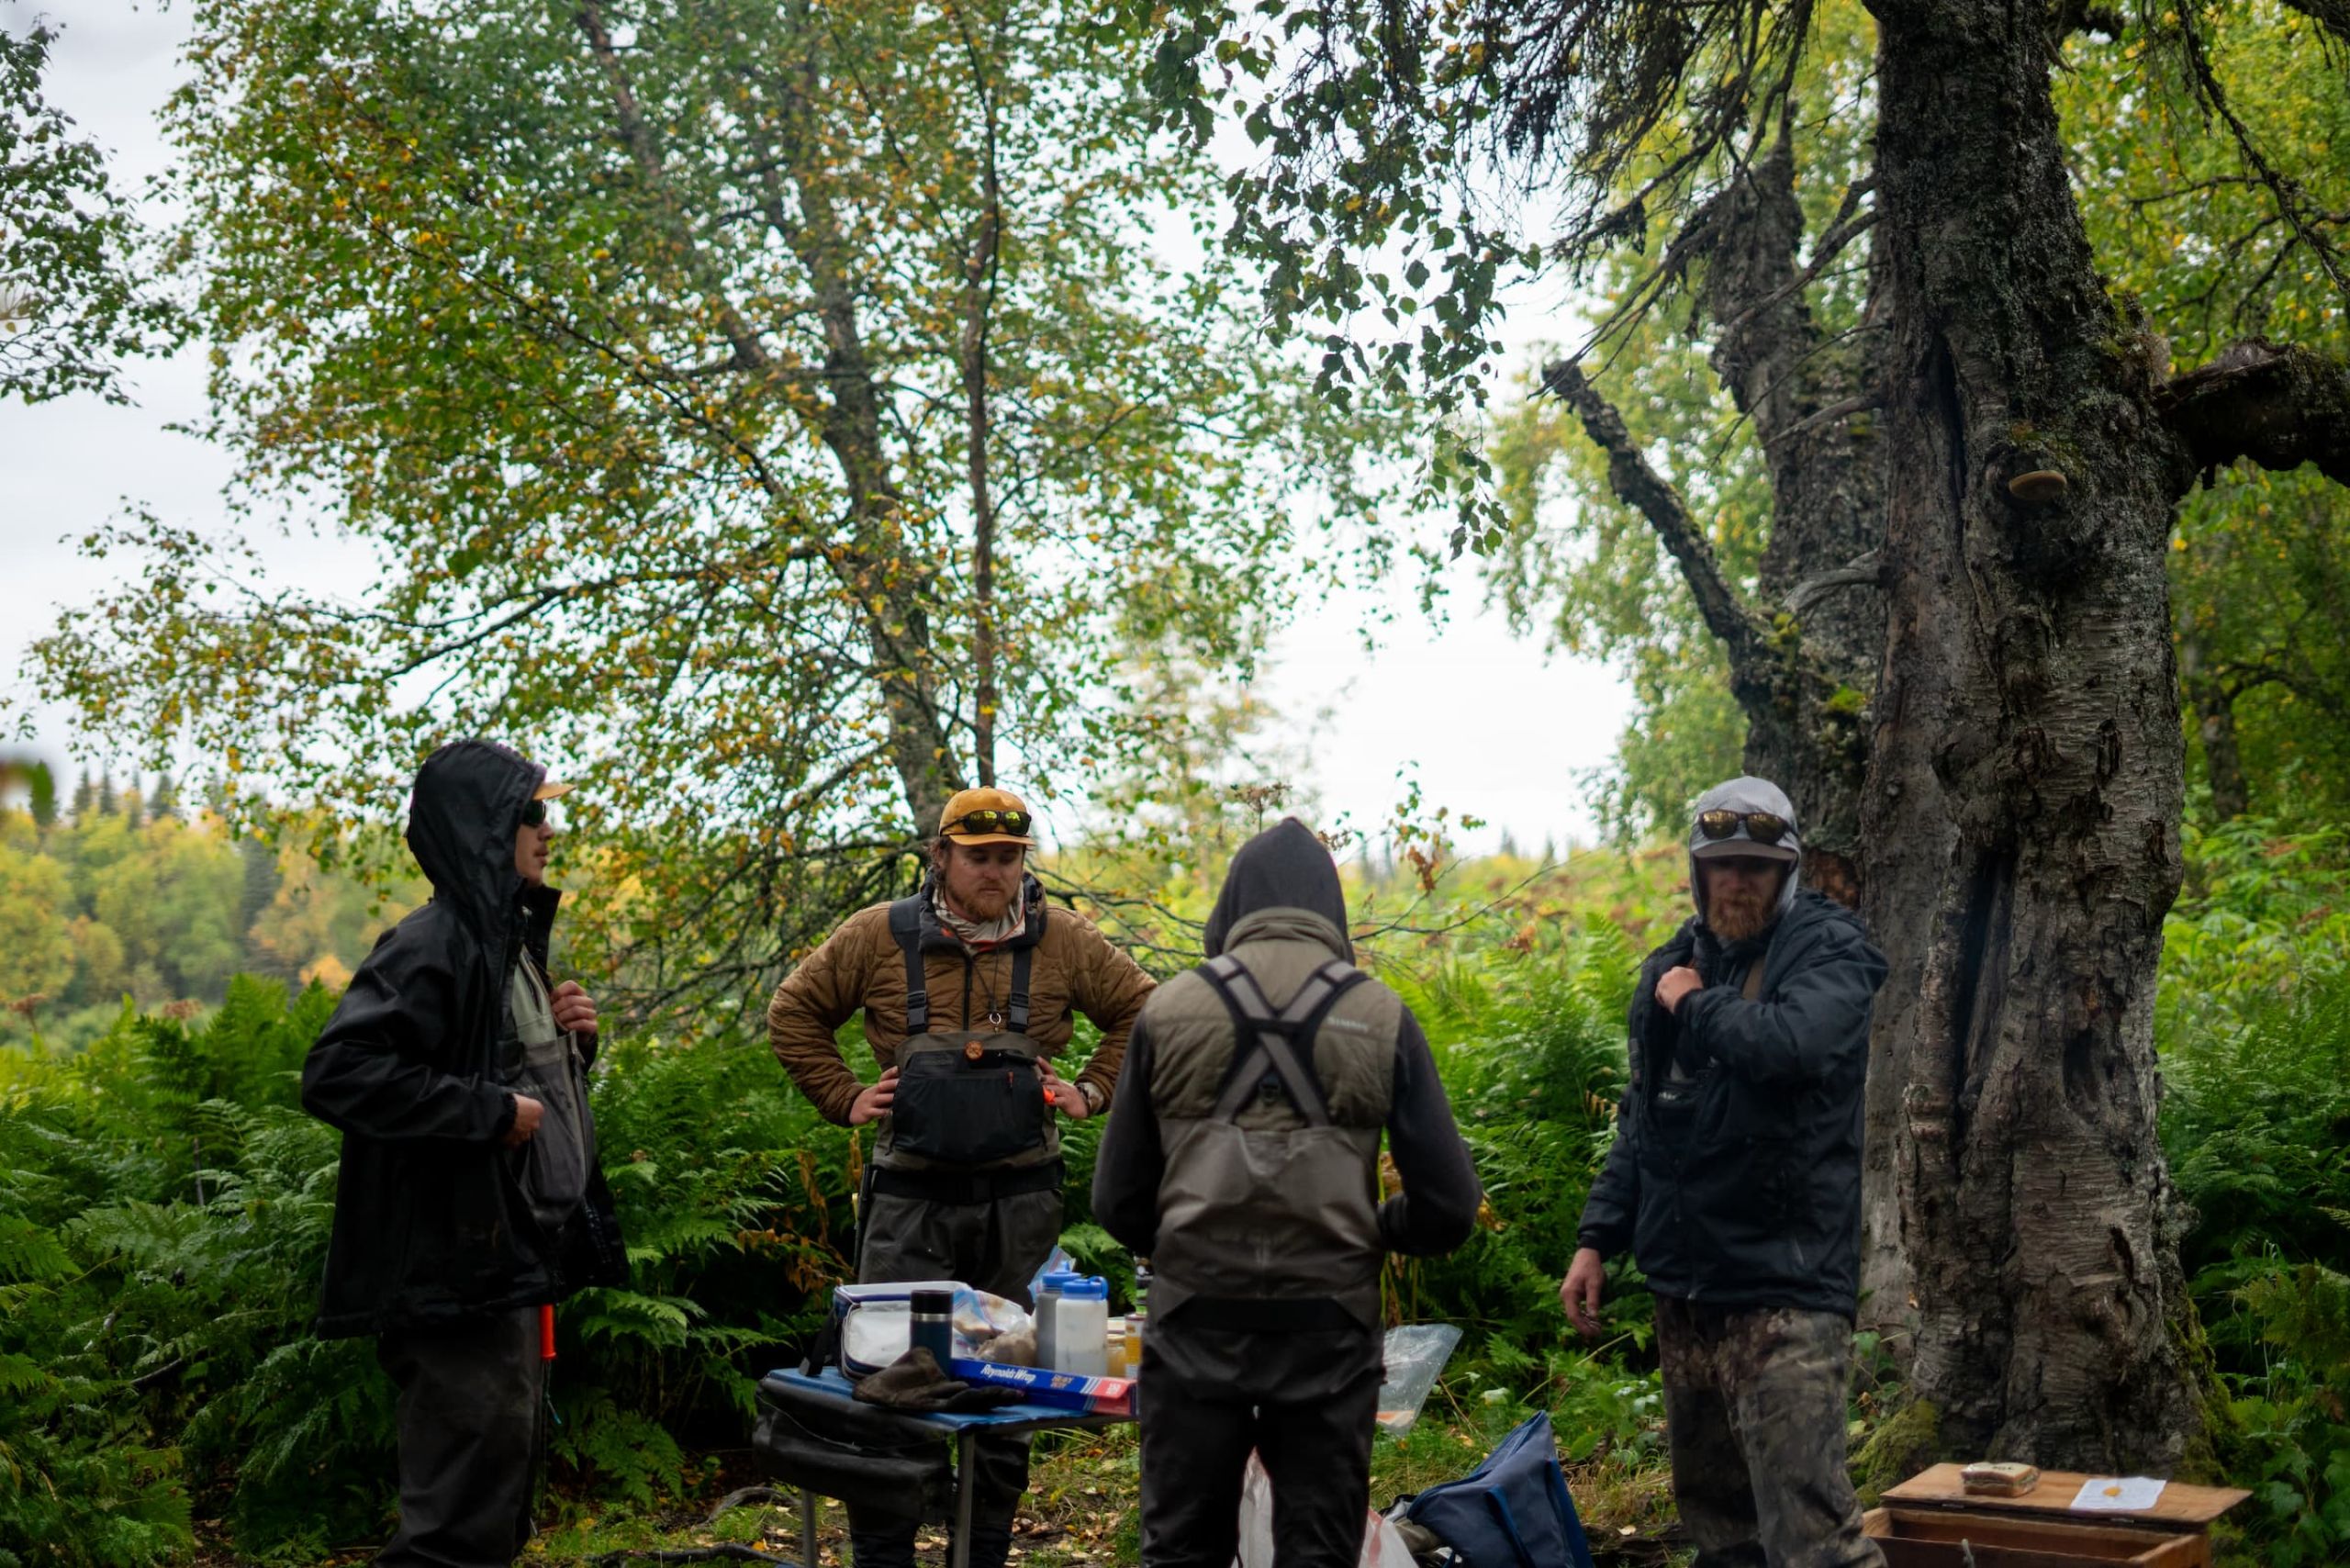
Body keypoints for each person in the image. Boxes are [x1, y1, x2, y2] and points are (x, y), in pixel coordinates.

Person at [767, 786, 1155, 1568]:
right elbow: (792, 1012)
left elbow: (1146, 1012)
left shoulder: (1065, 940)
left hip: (1021, 1201)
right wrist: (844, 1097)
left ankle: (983, 1551)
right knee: (886, 1379)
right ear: (940, 856)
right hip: (910, 1202)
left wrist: (1093, 1091)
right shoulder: (878, 936)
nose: (995, 872)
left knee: (1012, 1383)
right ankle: (886, 1557)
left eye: (1009, 858)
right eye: (978, 857)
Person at [1093, 817, 1482, 1568]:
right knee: (1318, 1552)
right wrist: (1375, 1227)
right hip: (1327, 1336)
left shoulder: (1169, 1010)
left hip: (1196, 1326)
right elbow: (1450, 1208)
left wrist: (1182, 1247)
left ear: (1232, 905)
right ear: (1330, 912)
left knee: (1181, 1550)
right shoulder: (1380, 1016)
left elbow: (1116, 1201)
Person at [302, 740, 626, 1567]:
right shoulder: (432, 942)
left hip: (504, 1264)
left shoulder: (502, 943)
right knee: (454, 1530)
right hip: (450, 1274)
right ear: (483, 828)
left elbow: (500, 1081)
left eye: (548, 812)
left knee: (493, 1510)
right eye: (530, 813)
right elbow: (341, 1074)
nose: (547, 830)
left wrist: (571, 1047)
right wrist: (485, 1112)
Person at [1561, 777, 1889, 1568]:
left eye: (1755, 865)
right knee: (1722, 1531)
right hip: (1688, 1290)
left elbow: (1793, 1046)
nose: (1737, 880)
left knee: (1813, 1537)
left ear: (1788, 871)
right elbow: (1644, 1119)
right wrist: (1597, 1237)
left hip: (1786, 1291)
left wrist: (1694, 1006)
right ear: (1697, 869)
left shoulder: (1832, 949)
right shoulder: (1671, 966)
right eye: (1722, 865)